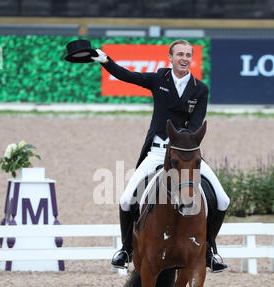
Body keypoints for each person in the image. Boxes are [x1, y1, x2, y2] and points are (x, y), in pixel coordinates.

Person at [92, 39, 230, 272]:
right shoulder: (159, 80)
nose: (184, 58)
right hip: (157, 153)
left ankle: (209, 250)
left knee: (223, 199)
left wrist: (183, 143)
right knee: (126, 199)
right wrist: (105, 60)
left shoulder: (200, 89)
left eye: (188, 54)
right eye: (180, 54)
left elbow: (196, 127)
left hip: (185, 154)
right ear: (170, 57)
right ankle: (126, 249)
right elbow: (127, 76)